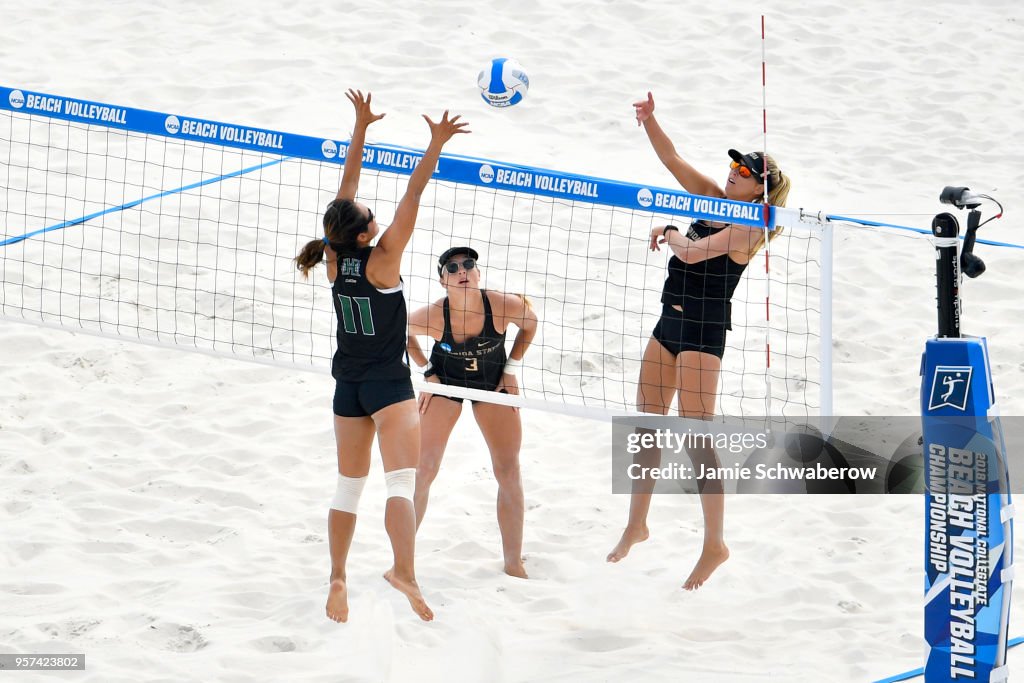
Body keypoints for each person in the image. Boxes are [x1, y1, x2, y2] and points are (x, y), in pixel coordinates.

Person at [294, 89, 469, 622]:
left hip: (347, 384)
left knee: (349, 486)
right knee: (400, 484)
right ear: (368, 231)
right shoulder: (384, 260)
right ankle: (404, 572)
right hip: (389, 387)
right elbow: (415, 193)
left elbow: (345, 193)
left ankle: (338, 577)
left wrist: (361, 128)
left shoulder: (331, 256)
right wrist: (435, 143)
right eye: (371, 214)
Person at [607, 92, 791, 590]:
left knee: (697, 440)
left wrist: (668, 229)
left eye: (747, 172)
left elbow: (689, 254)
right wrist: (650, 120)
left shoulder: (751, 227)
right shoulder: (712, 195)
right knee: (644, 425)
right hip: (669, 322)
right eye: (735, 165)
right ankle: (636, 524)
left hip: (703, 333)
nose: (735, 172)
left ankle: (715, 544)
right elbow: (671, 159)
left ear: (760, 191)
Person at [406, 247, 538, 578]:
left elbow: (531, 324)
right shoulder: (434, 315)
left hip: (492, 383)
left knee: (508, 470)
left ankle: (513, 562)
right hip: (446, 384)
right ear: (442, 281)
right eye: (452, 268)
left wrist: (511, 367)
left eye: (468, 264)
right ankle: (402, 561)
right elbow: (399, 331)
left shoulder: (503, 305)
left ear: (478, 273)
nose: (462, 270)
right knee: (423, 469)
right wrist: (427, 372)